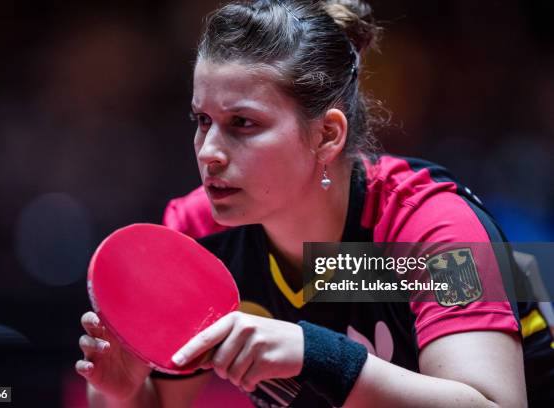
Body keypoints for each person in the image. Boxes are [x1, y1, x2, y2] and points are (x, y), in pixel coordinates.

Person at [75, 0, 553, 406]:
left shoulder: (437, 228)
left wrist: (317, 353)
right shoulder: (202, 234)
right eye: (203, 119)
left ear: (326, 135)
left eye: (243, 123)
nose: (208, 151)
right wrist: (121, 394)